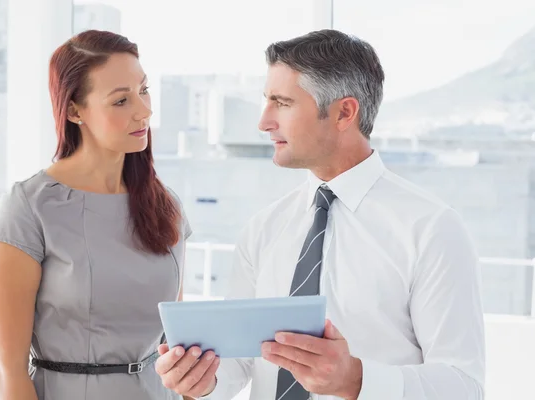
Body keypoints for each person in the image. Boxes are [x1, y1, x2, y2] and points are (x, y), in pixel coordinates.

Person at [155, 29, 485, 400]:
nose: (263, 122)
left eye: (282, 102)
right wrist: (201, 380)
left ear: (344, 112)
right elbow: (243, 362)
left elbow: (463, 386)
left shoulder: (431, 228)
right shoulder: (265, 228)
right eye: (267, 101)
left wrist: (355, 380)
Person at [0, 30, 207, 400]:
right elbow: (6, 366)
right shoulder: (29, 207)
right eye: (121, 100)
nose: (144, 110)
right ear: (74, 110)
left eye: (144, 90)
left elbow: (177, 345)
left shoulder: (166, 205)